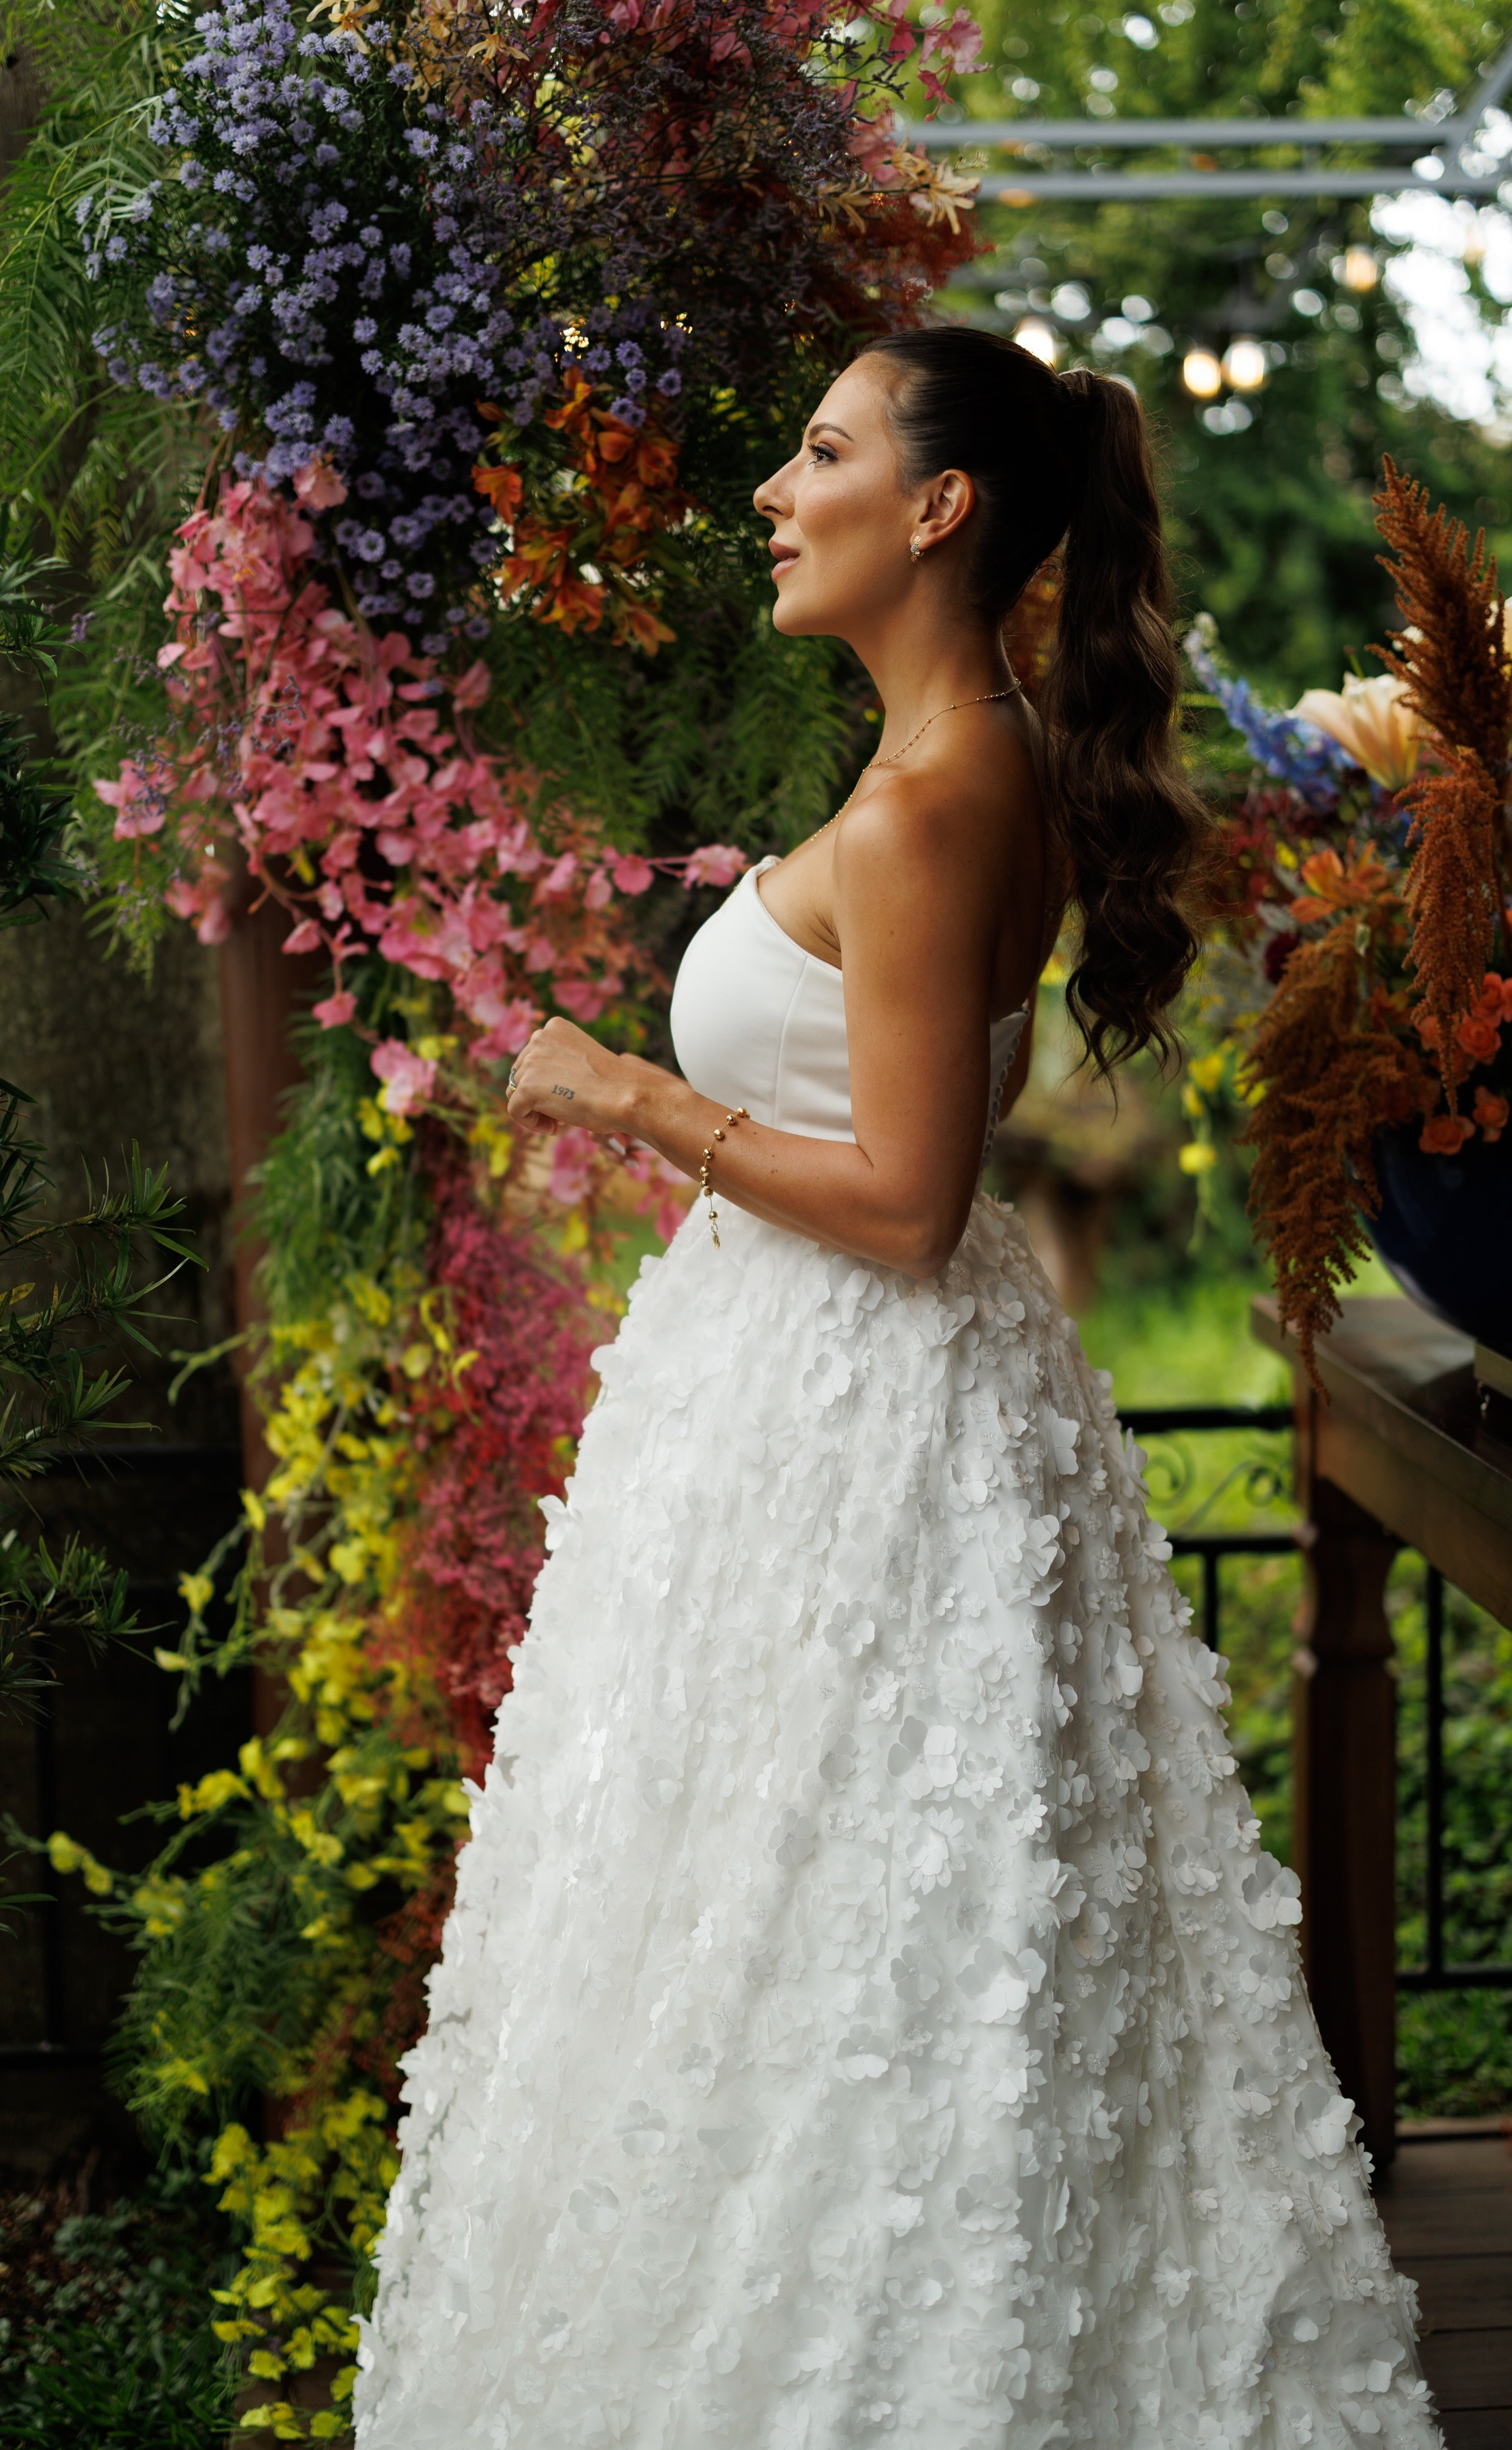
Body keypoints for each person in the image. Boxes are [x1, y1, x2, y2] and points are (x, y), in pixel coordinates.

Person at [355, 327, 1439, 2448]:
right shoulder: (949, 759)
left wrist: (625, 1090)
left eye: (822, 451)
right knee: (765, 1957)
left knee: (835, 1970)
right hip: (805, 1433)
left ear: (938, 508)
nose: (775, 488)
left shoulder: (948, 794)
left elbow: (910, 1202)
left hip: (874, 1433)